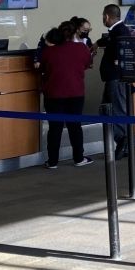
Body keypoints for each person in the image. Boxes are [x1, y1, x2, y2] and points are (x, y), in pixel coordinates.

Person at [39, 21, 94, 169]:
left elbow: (42, 67)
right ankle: (78, 158)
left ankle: (52, 161)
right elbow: (87, 63)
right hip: (76, 93)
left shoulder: (48, 52)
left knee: (54, 128)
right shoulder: (81, 48)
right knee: (75, 126)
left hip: (53, 94)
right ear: (75, 33)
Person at [97, 4, 135, 159]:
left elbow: (120, 52)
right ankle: (122, 141)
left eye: (103, 16)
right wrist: (98, 43)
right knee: (105, 110)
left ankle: (123, 140)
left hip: (116, 79)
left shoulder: (120, 32)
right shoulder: (117, 31)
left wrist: (116, 61)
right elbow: (109, 41)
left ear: (107, 16)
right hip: (113, 79)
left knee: (117, 110)